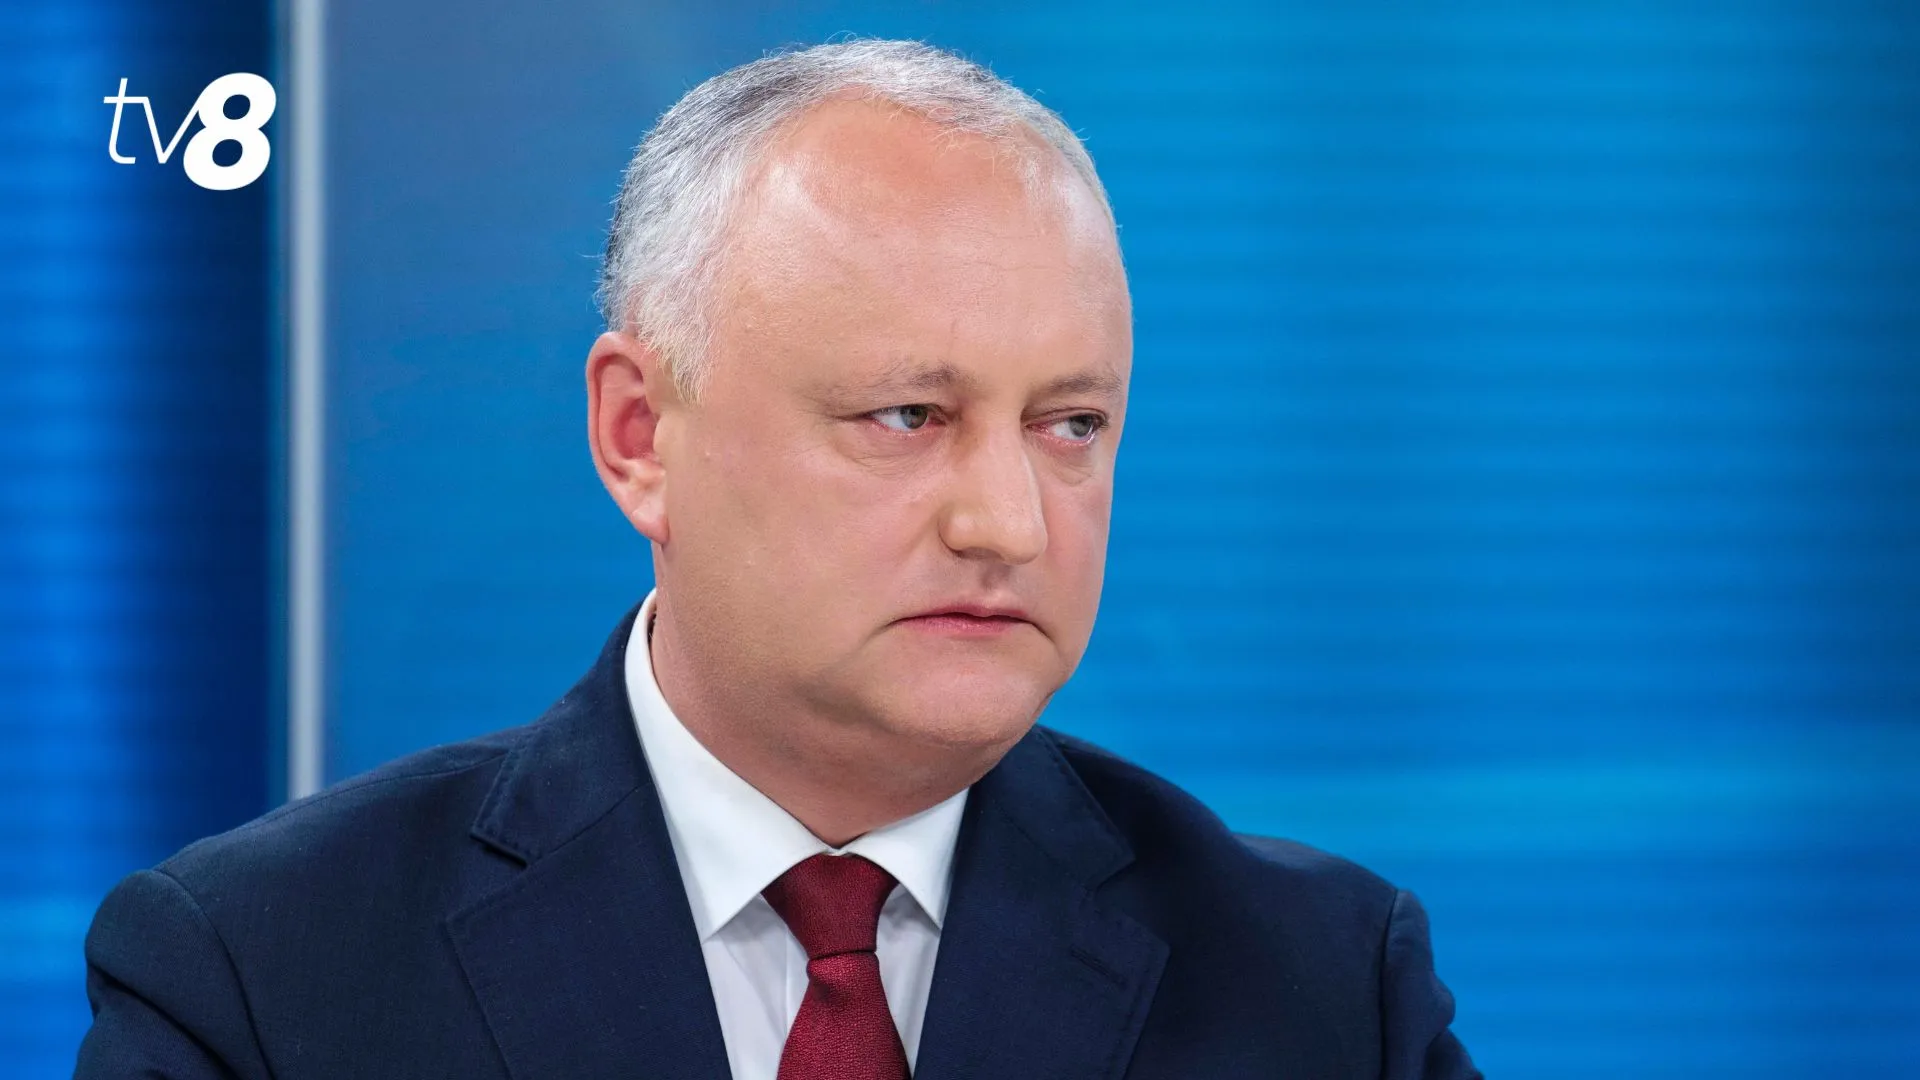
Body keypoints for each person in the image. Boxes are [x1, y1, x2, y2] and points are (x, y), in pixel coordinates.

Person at [75, 39, 1479, 1080]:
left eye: (1070, 425)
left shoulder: (1326, 990)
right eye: (908, 416)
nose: (1009, 524)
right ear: (640, 438)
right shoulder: (257, 979)